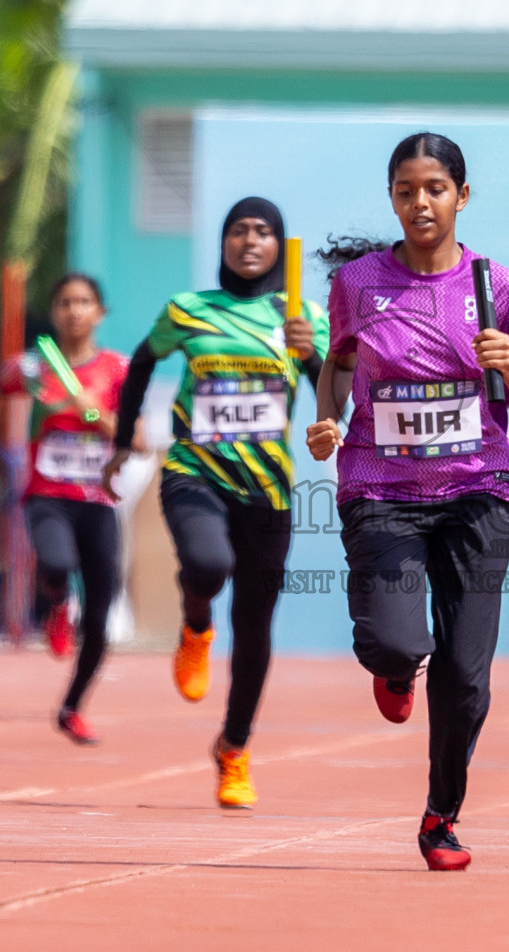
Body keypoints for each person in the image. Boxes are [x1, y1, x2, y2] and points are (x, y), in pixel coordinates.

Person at [306, 133, 509, 871]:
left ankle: (441, 815)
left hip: (479, 493)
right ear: (392, 197)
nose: (421, 202)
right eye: (406, 190)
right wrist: (326, 418)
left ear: (462, 196)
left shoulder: (500, 288)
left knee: (467, 678)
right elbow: (338, 366)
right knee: (400, 643)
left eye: (435, 189)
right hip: (380, 489)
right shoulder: (358, 283)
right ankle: (391, 667)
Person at [103, 197, 329, 810]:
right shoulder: (190, 310)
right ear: (224, 242)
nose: (249, 241)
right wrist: (125, 438)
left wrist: (311, 356)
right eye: (238, 230)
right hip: (194, 471)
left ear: (279, 247)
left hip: (268, 489)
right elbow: (144, 361)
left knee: (255, 626)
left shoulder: (301, 316)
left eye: (262, 232)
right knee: (208, 565)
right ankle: (196, 624)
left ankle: (234, 748)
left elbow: (335, 390)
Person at [0, 273, 128, 745]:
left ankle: (73, 706)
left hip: (99, 502)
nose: (74, 311)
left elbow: (135, 438)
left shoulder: (119, 370)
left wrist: (93, 412)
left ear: (100, 312)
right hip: (47, 496)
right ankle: (58, 604)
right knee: (56, 562)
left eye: (84, 302)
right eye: (64, 302)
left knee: (100, 617)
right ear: (54, 312)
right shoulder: (36, 367)